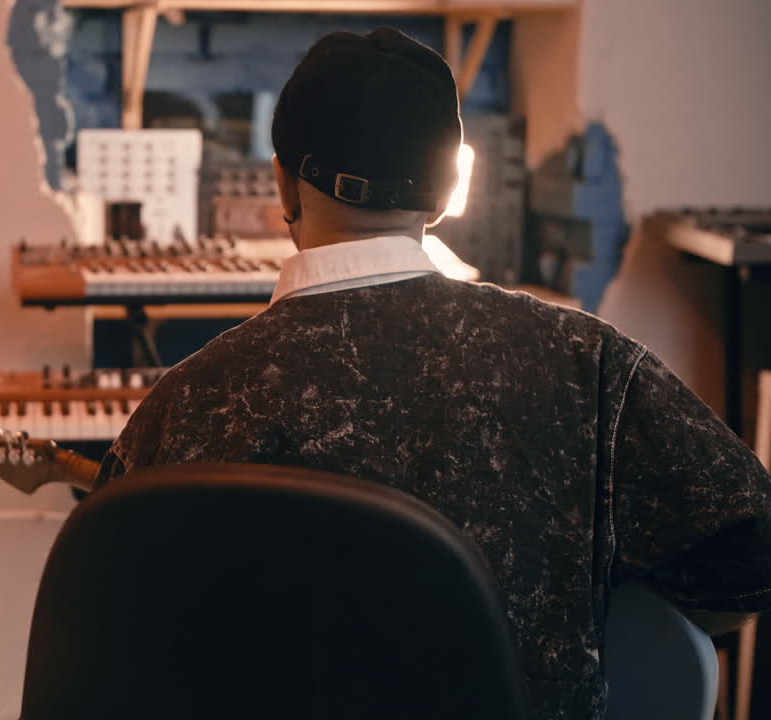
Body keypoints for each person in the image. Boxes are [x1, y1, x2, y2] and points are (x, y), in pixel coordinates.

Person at [96, 27, 771, 719]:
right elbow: (749, 555)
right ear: (447, 194)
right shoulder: (589, 364)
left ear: (283, 184)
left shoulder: (181, 408)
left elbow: (112, 646)